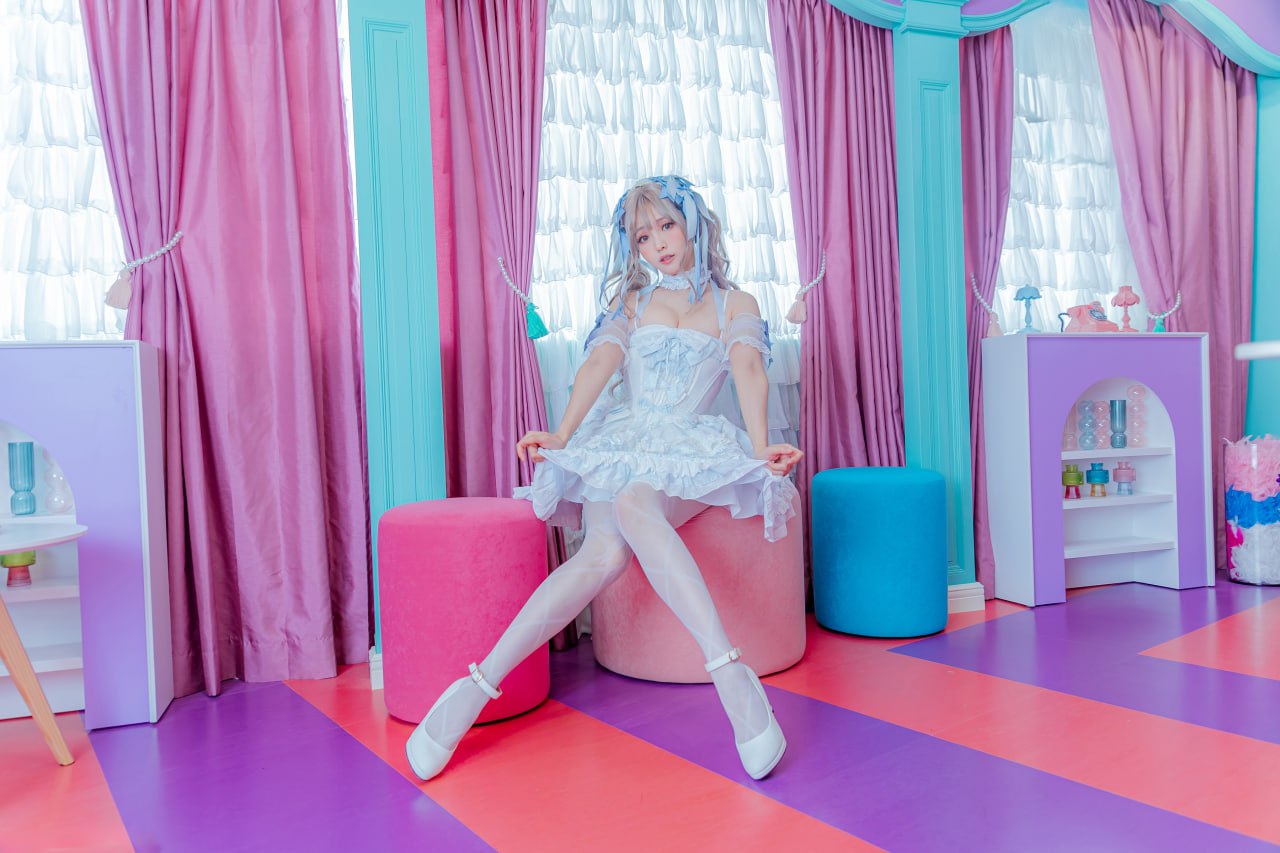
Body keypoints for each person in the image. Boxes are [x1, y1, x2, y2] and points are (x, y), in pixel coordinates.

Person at [406, 175, 804, 782]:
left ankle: (729, 674)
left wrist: (758, 446)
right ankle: (474, 688)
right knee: (602, 554)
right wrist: (563, 434)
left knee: (637, 504)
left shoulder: (737, 303)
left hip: (686, 446)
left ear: (694, 224)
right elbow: (599, 362)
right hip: (622, 438)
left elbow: (748, 368)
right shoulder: (634, 303)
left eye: (667, 226)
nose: (658, 244)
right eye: (642, 236)